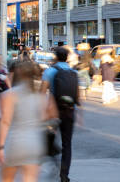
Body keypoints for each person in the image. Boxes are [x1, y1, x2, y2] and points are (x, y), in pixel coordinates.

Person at [0, 60, 57, 182]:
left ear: (17, 73)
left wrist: (0, 147)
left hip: (15, 143)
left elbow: (5, 122)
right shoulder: (40, 96)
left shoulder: (9, 95)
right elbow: (49, 116)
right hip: (35, 144)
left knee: (7, 179)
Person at [41, 47, 79, 182]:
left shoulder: (49, 71)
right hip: (69, 111)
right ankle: (64, 175)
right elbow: (77, 95)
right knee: (67, 144)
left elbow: (41, 92)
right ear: (67, 58)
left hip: (53, 112)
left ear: (55, 57)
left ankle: (54, 158)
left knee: (47, 139)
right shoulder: (74, 72)